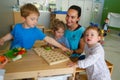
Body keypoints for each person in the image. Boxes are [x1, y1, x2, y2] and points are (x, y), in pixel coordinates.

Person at [0, 3, 70, 52]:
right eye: (32, 19)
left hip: (26, 53)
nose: (35, 22)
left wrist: (61, 47)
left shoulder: (35, 31)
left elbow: (49, 39)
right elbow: (11, 34)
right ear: (24, 18)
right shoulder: (17, 27)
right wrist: (3, 39)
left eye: (37, 19)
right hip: (13, 52)